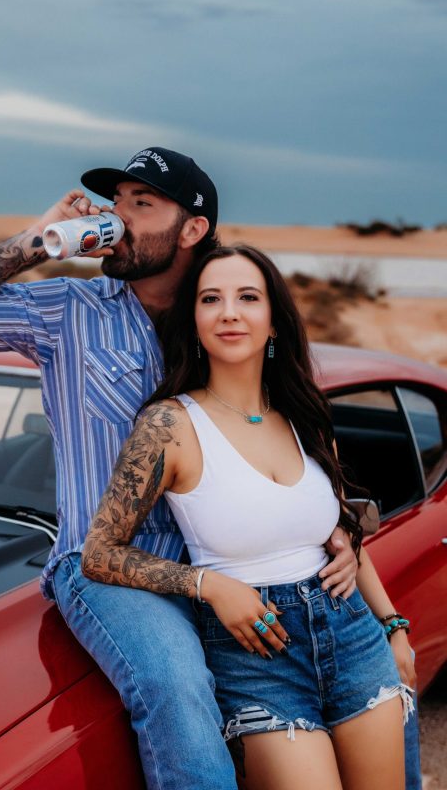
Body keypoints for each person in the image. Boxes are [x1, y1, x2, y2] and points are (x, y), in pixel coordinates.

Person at [0, 147, 362, 790]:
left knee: (308, 697)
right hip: (106, 568)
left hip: (224, 559)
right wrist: (36, 240)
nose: (117, 216)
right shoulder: (69, 309)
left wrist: (338, 526)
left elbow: (290, 431)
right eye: (116, 202)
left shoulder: (223, 320)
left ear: (192, 229)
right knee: (177, 687)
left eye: (141, 204)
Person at [82, 244, 416, 790]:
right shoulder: (169, 425)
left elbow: (346, 540)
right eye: (211, 299)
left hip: (354, 635)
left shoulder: (306, 415)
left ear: (274, 320)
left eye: (248, 297)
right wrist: (210, 585)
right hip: (258, 654)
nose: (229, 312)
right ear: (194, 320)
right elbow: (99, 553)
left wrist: (394, 627)